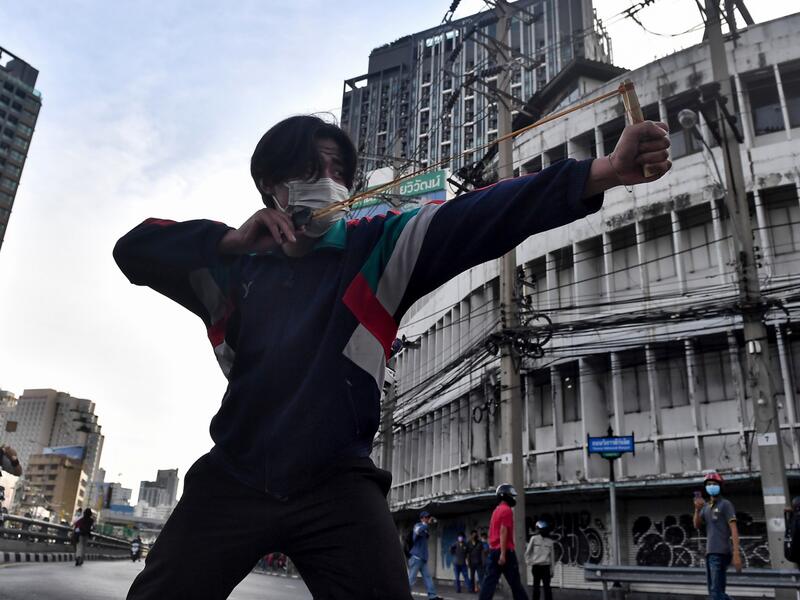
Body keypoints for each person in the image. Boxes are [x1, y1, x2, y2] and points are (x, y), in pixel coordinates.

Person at [114, 113, 671, 599]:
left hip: (336, 483)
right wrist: (228, 241)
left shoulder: (377, 246)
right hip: (234, 474)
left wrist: (605, 171)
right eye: (310, 168)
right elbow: (133, 250)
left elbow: (481, 213)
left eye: (337, 170)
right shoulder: (228, 268)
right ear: (270, 186)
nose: (328, 181)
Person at [693, 472, 742, 600]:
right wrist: (697, 509)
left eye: (714, 484)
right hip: (710, 553)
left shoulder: (725, 504)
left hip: (721, 552)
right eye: (709, 484)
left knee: (715, 593)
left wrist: (736, 553)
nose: (711, 486)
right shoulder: (706, 507)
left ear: (720, 486)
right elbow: (697, 525)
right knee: (716, 591)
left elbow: (734, 528)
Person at [479, 484, 529, 600]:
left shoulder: (496, 511)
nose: (513, 498)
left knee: (489, 582)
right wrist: (503, 554)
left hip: (493, 551)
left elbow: (493, 532)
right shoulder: (507, 510)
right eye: (511, 495)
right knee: (515, 584)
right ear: (505, 496)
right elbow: (503, 531)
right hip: (505, 551)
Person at [408, 511, 443, 600]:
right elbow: (418, 531)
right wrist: (426, 524)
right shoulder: (417, 526)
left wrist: (434, 523)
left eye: (428, 517)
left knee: (428, 578)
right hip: (416, 558)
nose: (428, 519)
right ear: (422, 518)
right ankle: (405, 594)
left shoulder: (425, 529)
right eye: (426, 517)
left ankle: (432, 596)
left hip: (423, 559)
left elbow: (428, 535)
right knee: (411, 578)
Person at [524, 520, 554, 600]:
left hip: (546, 567)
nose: (543, 531)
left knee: (547, 588)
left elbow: (552, 557)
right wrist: (529, 562)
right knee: (536, 587)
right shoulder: (534, 539)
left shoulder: (550, 541)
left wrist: (552, 570)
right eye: (541, 529)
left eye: (545, 529)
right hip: (536, 567)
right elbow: (527, 552)